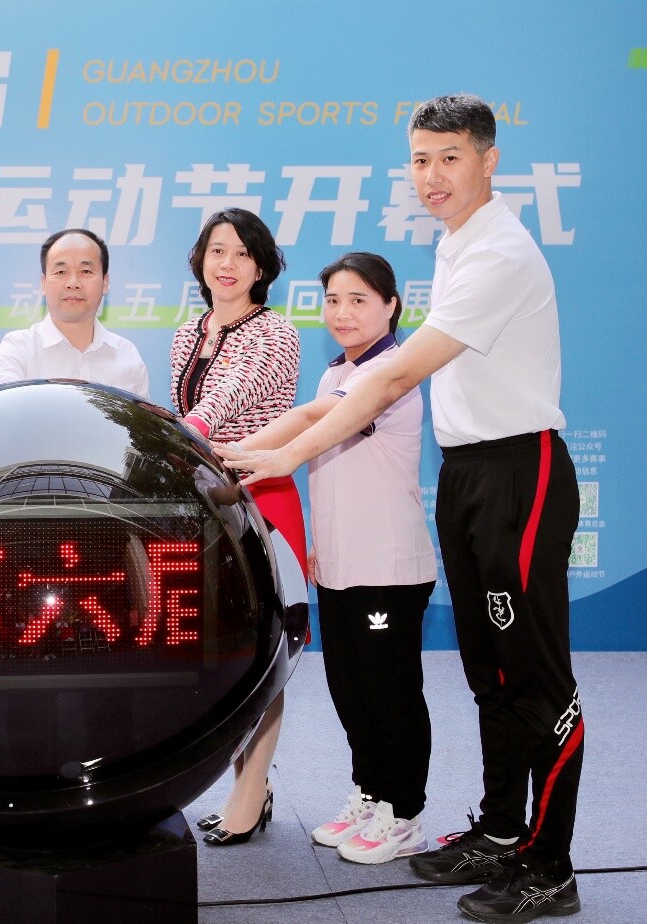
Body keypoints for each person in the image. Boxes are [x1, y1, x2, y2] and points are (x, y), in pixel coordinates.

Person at [218, 95, 582, 922]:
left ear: (489, 160)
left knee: (536, 680)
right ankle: (500, 831)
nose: (432, 176)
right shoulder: (456, 245)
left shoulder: (499, 253)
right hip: (467, 471)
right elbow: (349, 391)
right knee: (490, 676)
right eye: (420, 159)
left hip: (518, 471)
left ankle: (551, 865)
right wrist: (270, 445)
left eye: (450, 157)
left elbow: (392, 376)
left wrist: (287, 456)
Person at [221, 253, 437, 865]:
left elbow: (309, 419)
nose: (343, 313)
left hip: (387, 568)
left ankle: (403, 812)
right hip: (340, 566)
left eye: (358, 300)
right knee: (351, 689)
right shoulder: (336, 372)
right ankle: (370, 794)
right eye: (334, 301)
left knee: (390, 693)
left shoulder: (392, 372)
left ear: (391, 306)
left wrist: (224, 454)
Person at [170, 207, 305, 847]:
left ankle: (249, 797)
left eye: (242, 253)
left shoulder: (276, 332)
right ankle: (250, 782)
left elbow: (223, 402)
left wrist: (182, 434)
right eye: (216, 250)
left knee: (264, 651)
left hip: (261, 502)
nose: (226, 264)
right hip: (207, 507)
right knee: (221, 653)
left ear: (262, 267)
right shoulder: (188, 333)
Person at [0, 228, 149, 397]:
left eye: (86, 271)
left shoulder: (127, 355)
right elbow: (2, 409)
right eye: (61, 272)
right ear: (43, 284)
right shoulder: (17, 350)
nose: (73, 283)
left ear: (105, 283)